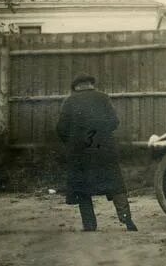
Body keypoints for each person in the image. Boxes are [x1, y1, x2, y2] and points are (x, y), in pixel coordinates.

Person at [57, 74, 138, 232]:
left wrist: (73, 142)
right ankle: (128, 221)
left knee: (82, 189)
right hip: (104, 149)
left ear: (75, 87)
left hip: (80, 152)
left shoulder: (69, 102)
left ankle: (89, 225)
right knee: (115, 185)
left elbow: (61, 129)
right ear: (91, 84)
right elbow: (114, 122)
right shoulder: (103, 98)